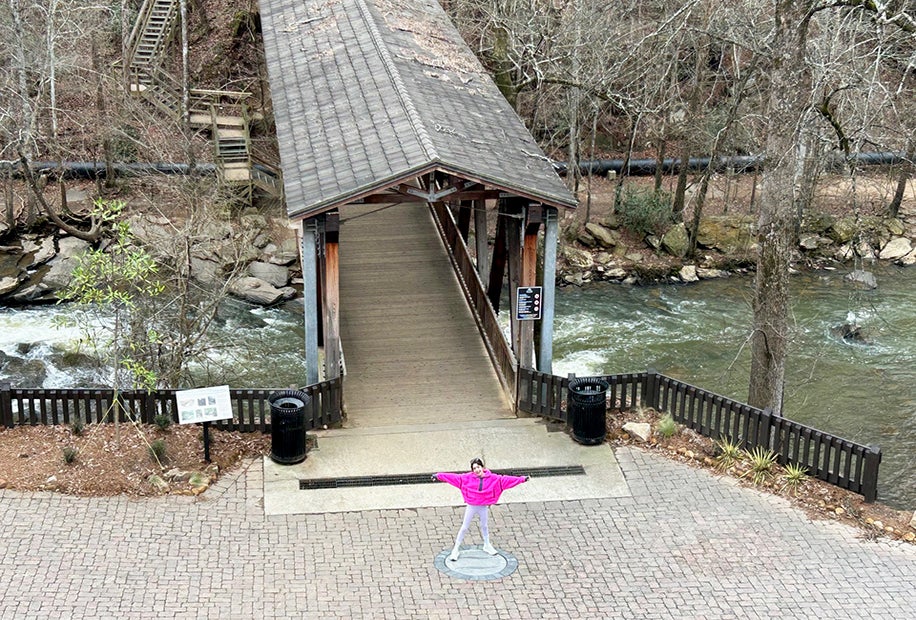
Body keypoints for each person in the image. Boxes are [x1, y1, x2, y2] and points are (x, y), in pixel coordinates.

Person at [432, 458, 529, 561]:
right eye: (474, 468)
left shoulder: (494, 478)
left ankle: (487, 545)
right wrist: (438, 476)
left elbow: (507, 480)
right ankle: (455, 549)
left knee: (484, 525)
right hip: (472, 506)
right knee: (464, 527)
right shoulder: (466, 478)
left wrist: (522, 479)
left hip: (483, 506)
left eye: (478, 467)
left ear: (482, 467)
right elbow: (452, 477)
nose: (477, 470)